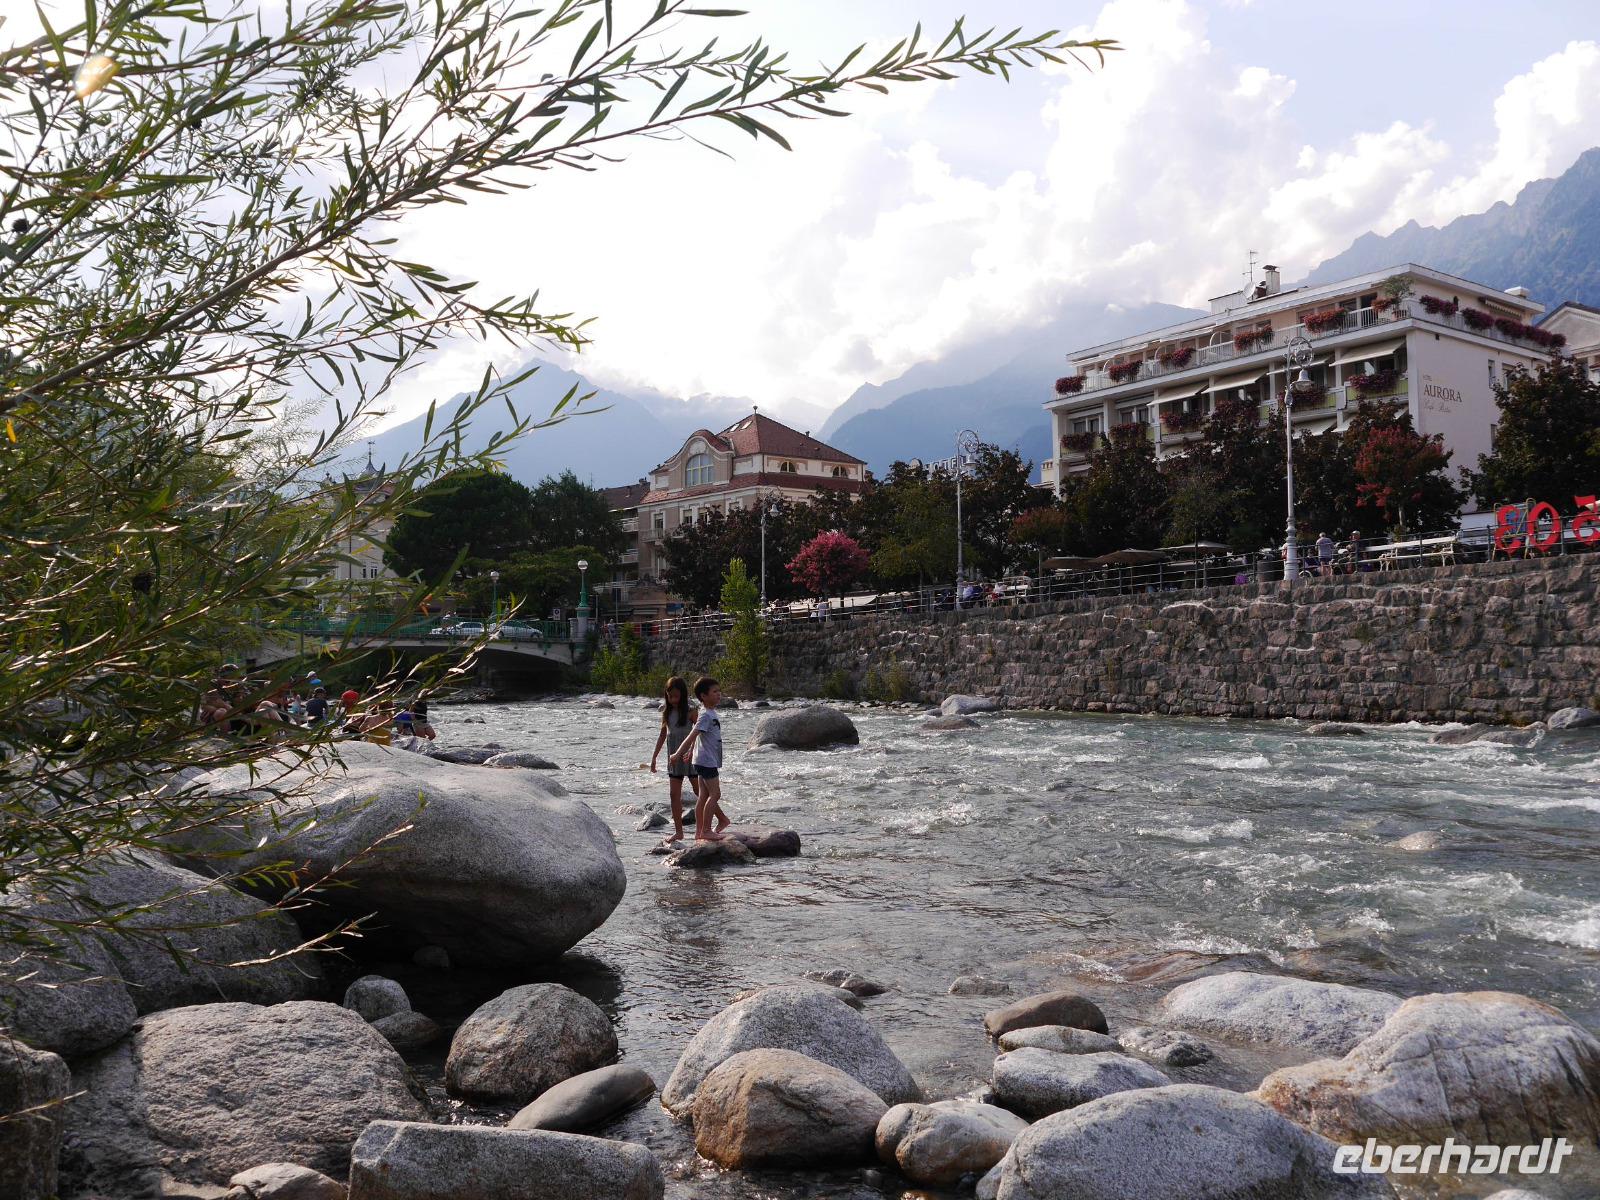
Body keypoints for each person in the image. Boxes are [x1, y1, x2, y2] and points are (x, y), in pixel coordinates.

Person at [671, 676, 729, 842]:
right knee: (715, 794)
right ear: (703, 696)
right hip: (707, 761)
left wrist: (690, 752)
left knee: (703, 795)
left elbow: (699, 738)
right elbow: (692, 735)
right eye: (714, 692)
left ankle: (699, 832)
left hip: (703, 759)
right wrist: (677, 754)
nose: (719, 694)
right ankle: (706, 830)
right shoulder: (705, 716)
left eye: (719, 691)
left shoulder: (709, 713)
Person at [649, 675, 701, 845]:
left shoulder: (691, 710)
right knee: (673, 795)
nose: (673, 700)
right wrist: (654, 757)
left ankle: (715, 821)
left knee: (700, 792)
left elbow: (699, 731)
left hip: (690, 757)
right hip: (674, 759)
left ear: (683, 695)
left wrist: (693, 749)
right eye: (670, 696)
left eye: (676, 696)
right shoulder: (667, 711)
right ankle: (679, 832)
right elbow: (663, 735)